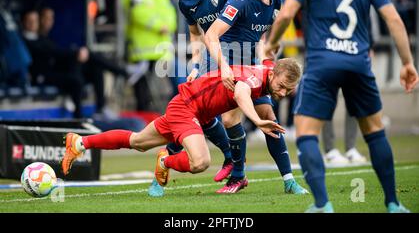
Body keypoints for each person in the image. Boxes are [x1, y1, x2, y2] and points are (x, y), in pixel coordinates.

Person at [265, 0, 418, 213]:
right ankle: (393, 203)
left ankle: (323, 205)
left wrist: (272, 43)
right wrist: (408, 62)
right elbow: (395, 20)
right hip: (359, 63)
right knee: (374, 132)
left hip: (323, 62)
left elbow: (286, 13)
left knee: (307, 132)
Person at [61, 58, 301, 190]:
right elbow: (240, 92)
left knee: (138, 142)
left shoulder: (272, 69)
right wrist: (258, 121)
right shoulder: (256, 77)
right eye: (281, 86)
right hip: (188, 108)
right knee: (201, 162)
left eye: (288, 90)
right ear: (272, 76)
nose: (282, 92)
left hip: (188, 106)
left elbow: (273, 62)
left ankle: (80, 142)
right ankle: (165, 161)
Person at [204, 0, 308, 194]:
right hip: (229, 61)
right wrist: (225, 67)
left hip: (251, 63)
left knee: (268, 115)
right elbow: (211, 35)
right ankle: (238, 173)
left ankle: (289, 180)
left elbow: (261, 33)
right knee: (229, 119)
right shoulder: (239, 0)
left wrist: (263, 56)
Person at [146, 0, 240, 197]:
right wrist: (196, 65)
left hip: (240, 56)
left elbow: (247, 15)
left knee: (254, 112)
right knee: (198, 112)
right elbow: (195, 34)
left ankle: (285, 177)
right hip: (212, 61)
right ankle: (171, 159)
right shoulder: (186, 1)